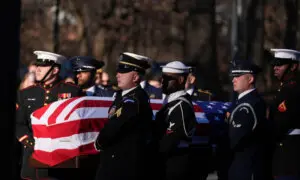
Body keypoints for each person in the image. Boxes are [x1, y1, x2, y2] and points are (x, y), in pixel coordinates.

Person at [15, 50, 83, 179]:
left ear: (55, 70)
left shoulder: (72, 92)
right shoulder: (26, 94)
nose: (38, 69)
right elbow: (19, 123)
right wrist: (33, 143)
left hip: (60, 161)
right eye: (37, 65)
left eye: (43, 66)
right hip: (32, 159)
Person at [94, 52, 153, 180]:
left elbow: (116, 125)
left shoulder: (134, 99)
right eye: (118, 70)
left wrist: (99, 142)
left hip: (124, 165)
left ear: (135, 77)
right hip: (115, 162)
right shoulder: (123, 96)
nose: (118, 74)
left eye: (124, 71)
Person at [227, 60, 270, 180]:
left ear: (250, 79)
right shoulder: (245, 102)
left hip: (246, 169)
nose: (233, 80)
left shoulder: (249, 105)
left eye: (237, 76)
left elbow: (235, 139)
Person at [153, 61, 196, 180]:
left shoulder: (182, 106)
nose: (163, 81)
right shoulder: (171, 103)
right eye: (162, 78)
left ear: (181, 80)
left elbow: (169, 142)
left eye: (168, 78)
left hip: (174, 166)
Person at [268, 49, 300, 180]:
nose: (275, 67)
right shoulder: (285, 89)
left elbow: (280, 125)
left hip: (290, 153)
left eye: (280, 64)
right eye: (274, 64)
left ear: (293, 66)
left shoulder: (291, 90)